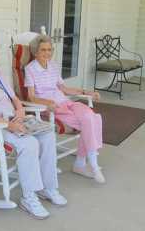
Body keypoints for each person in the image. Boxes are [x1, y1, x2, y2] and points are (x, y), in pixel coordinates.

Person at [0, 31, 67, 219]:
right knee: (29, 143)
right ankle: (29, 197)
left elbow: (14, 98)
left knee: (48, 135)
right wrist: (7, 124)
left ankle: (48, 188)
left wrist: (19, 109)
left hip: (10, 119)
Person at [24, 34, 105, 184]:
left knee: (90, 116)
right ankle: (87, 164)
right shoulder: (30, 69)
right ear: (36, 52)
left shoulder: (53, 66)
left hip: (65, 103)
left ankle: (86, 163)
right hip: (51, 108)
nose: (47, 53)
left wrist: (87, 92)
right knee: (89, 121)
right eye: (43, 50)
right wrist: (48, 102)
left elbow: (64, 89)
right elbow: (31, 97)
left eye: (50, 49)